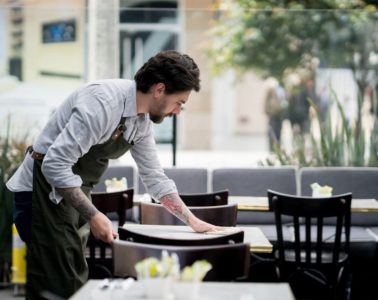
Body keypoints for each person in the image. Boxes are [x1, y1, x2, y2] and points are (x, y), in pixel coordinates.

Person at [6, 50, 224, 299]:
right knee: (59, 284)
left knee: (74, 280)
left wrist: (192, 221)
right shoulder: (102, 103)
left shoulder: (140, 123)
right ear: (159, 89)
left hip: (73, 194)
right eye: (179, 103)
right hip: (41, 194)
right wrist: (94, 214)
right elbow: (54, 164)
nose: (177, 111)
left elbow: (154, 177)